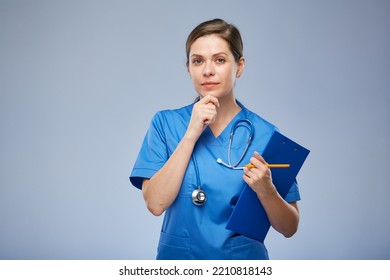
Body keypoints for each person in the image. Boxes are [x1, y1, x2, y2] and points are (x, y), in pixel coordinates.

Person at [129, 18, 300, 260]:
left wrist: (267, 191)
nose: (207, 70)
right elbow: (155, 204)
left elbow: (290, 227)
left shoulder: (267, 134)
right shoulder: (165, 124)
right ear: (188, 68)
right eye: (197, 61)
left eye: (219, 60)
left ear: (239, 66)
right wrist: (191, 134)